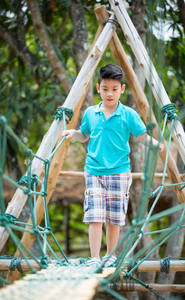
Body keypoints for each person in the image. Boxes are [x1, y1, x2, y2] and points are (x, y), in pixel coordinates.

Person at [62, 64, 164, 267]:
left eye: (114, 89)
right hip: (94, 172)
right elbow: (85, 136)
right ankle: (94, 258)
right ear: (98, 88)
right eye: (105, 88)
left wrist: (157, 145)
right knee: (95, 215)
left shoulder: (128, 114)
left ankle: (110, 256)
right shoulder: (91, 113)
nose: (110, 93)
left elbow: (142, 136)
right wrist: (74, 134)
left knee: (114, 217)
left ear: (122, 89)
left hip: (119, 173)